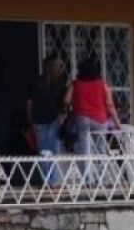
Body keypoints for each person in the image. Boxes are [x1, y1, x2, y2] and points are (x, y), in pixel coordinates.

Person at [27, 54, 69, 187]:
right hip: (51, 120)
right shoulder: (59, 83)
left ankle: (47, 181)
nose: (60, 68)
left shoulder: (38, 82)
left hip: (39, 120)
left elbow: (29, 102)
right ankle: (53, 182)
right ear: (53, 66)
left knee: (43, 151)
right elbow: (65, 103)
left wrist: (30, 119)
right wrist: (62, 117)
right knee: (53, 150)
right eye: (59, 65)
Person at [69, 56, 121, 160]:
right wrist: (116, 121)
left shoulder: (75, 84)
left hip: (82, 118)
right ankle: (101, 168)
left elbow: (66, 100)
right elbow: (109, 105)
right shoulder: (102, 84)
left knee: (84, 149)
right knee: (100, 148)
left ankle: (86, 169)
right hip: (99, 119)